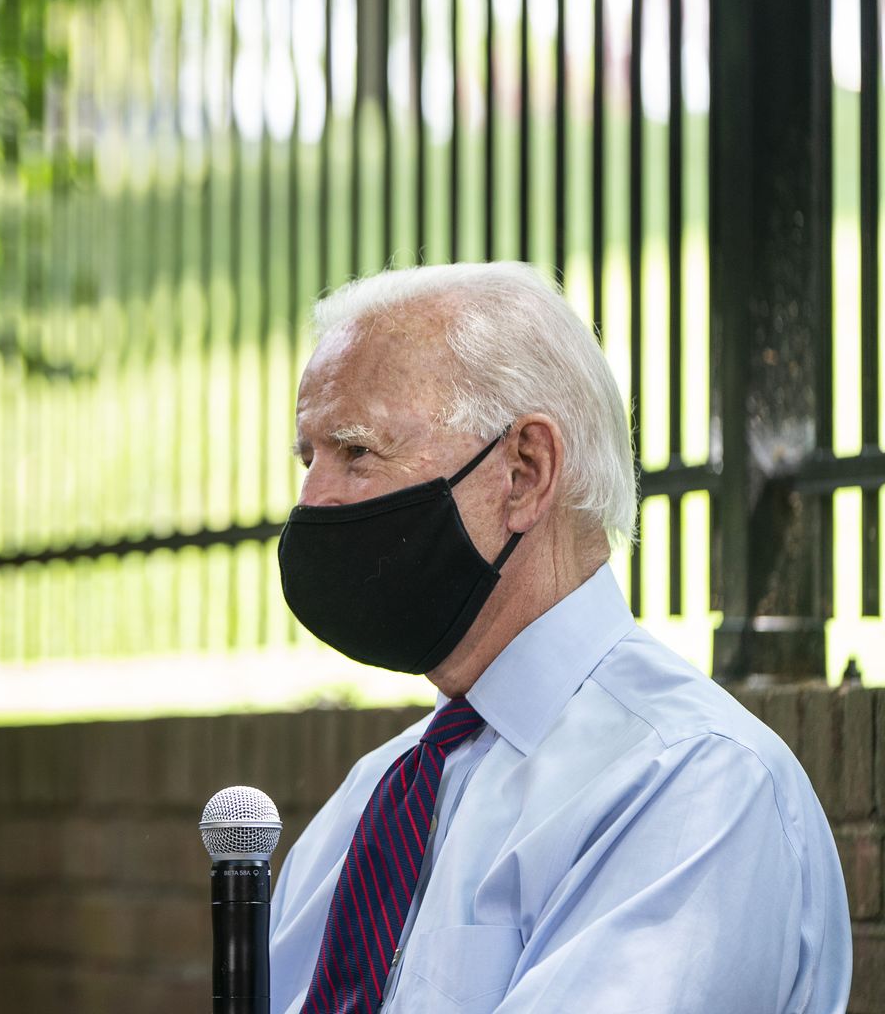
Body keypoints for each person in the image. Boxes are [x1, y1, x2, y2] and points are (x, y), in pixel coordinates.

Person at [265, 263, 851, 1014]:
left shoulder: (691, 786)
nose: (313, 501)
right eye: (307, 459)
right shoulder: (364, 809)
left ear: (525, 472)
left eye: (355, 452)